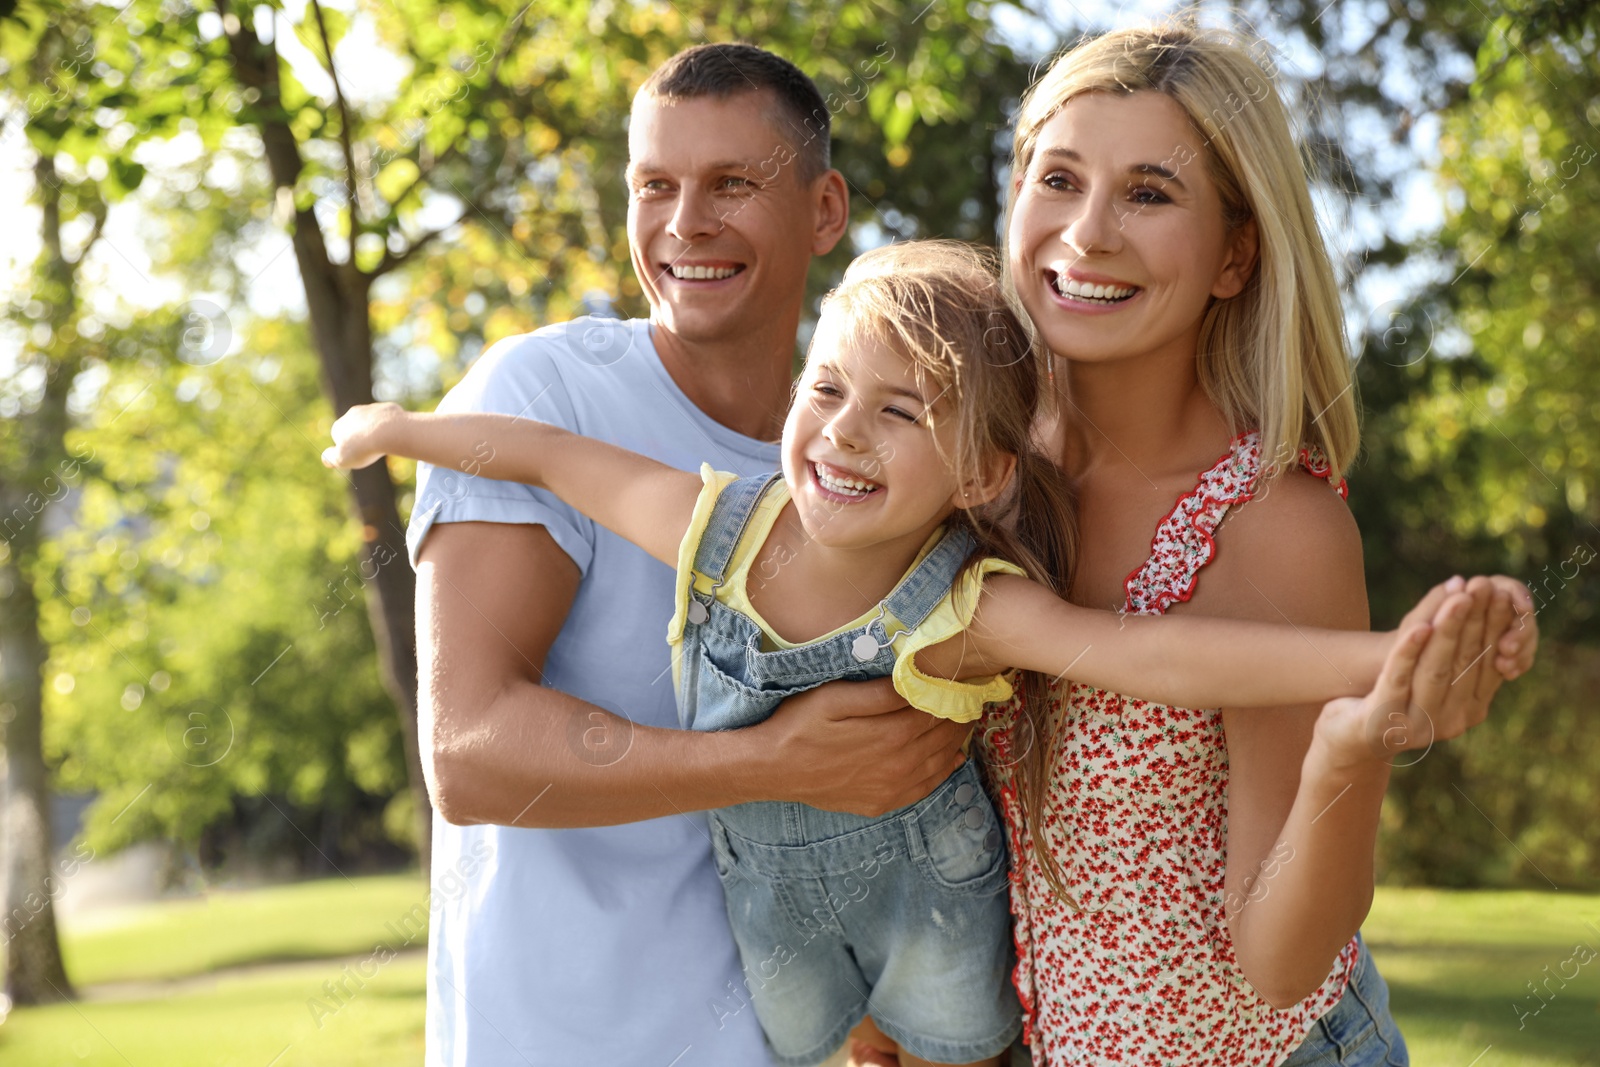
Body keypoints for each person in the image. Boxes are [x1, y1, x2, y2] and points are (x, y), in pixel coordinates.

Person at [327, 241, 1512, 1067]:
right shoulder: (720, 528)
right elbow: (548, 455)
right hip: (781, 933)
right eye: (830, 387)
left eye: (901, 411)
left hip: (942, 934)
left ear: (984, 474)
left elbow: (1157, 656)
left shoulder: (967, 602)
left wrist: (1375, 658)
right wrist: (403, 429)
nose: (843, 430)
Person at [398, 43, 971, 1067]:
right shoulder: (543, 394)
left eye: (731, 185)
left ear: (825, 210)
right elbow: (468, 749)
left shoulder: (870, 467)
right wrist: (766, 763)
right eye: (653, 185)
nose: (684, 224)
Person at [991, 21, 1540, 1066]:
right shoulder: (976, 471)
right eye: (1057, 178)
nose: (1089, 230)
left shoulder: (1270, 525)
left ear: (1235, 254)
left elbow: (1279, 957)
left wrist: (1354, 741)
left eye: (1149, 193)